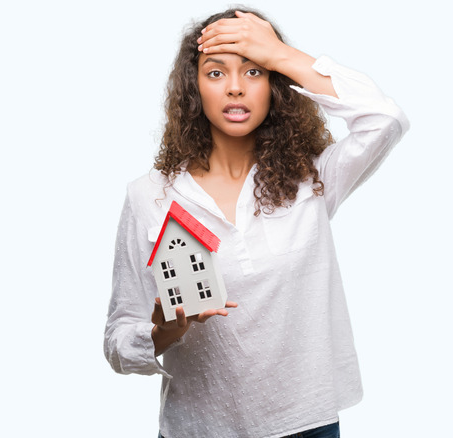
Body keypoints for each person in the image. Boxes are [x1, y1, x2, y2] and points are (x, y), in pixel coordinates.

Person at [103, 7, 409, 438]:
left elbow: (385, 119)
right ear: (194, 90)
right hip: (198, 429)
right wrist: (164, 331)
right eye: (215, 73)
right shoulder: (149, 196)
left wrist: (279, 52)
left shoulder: (313, 178)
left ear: (274, 86)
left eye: (253, 72)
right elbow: (117, 341)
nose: (234, 88)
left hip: (307, 423)